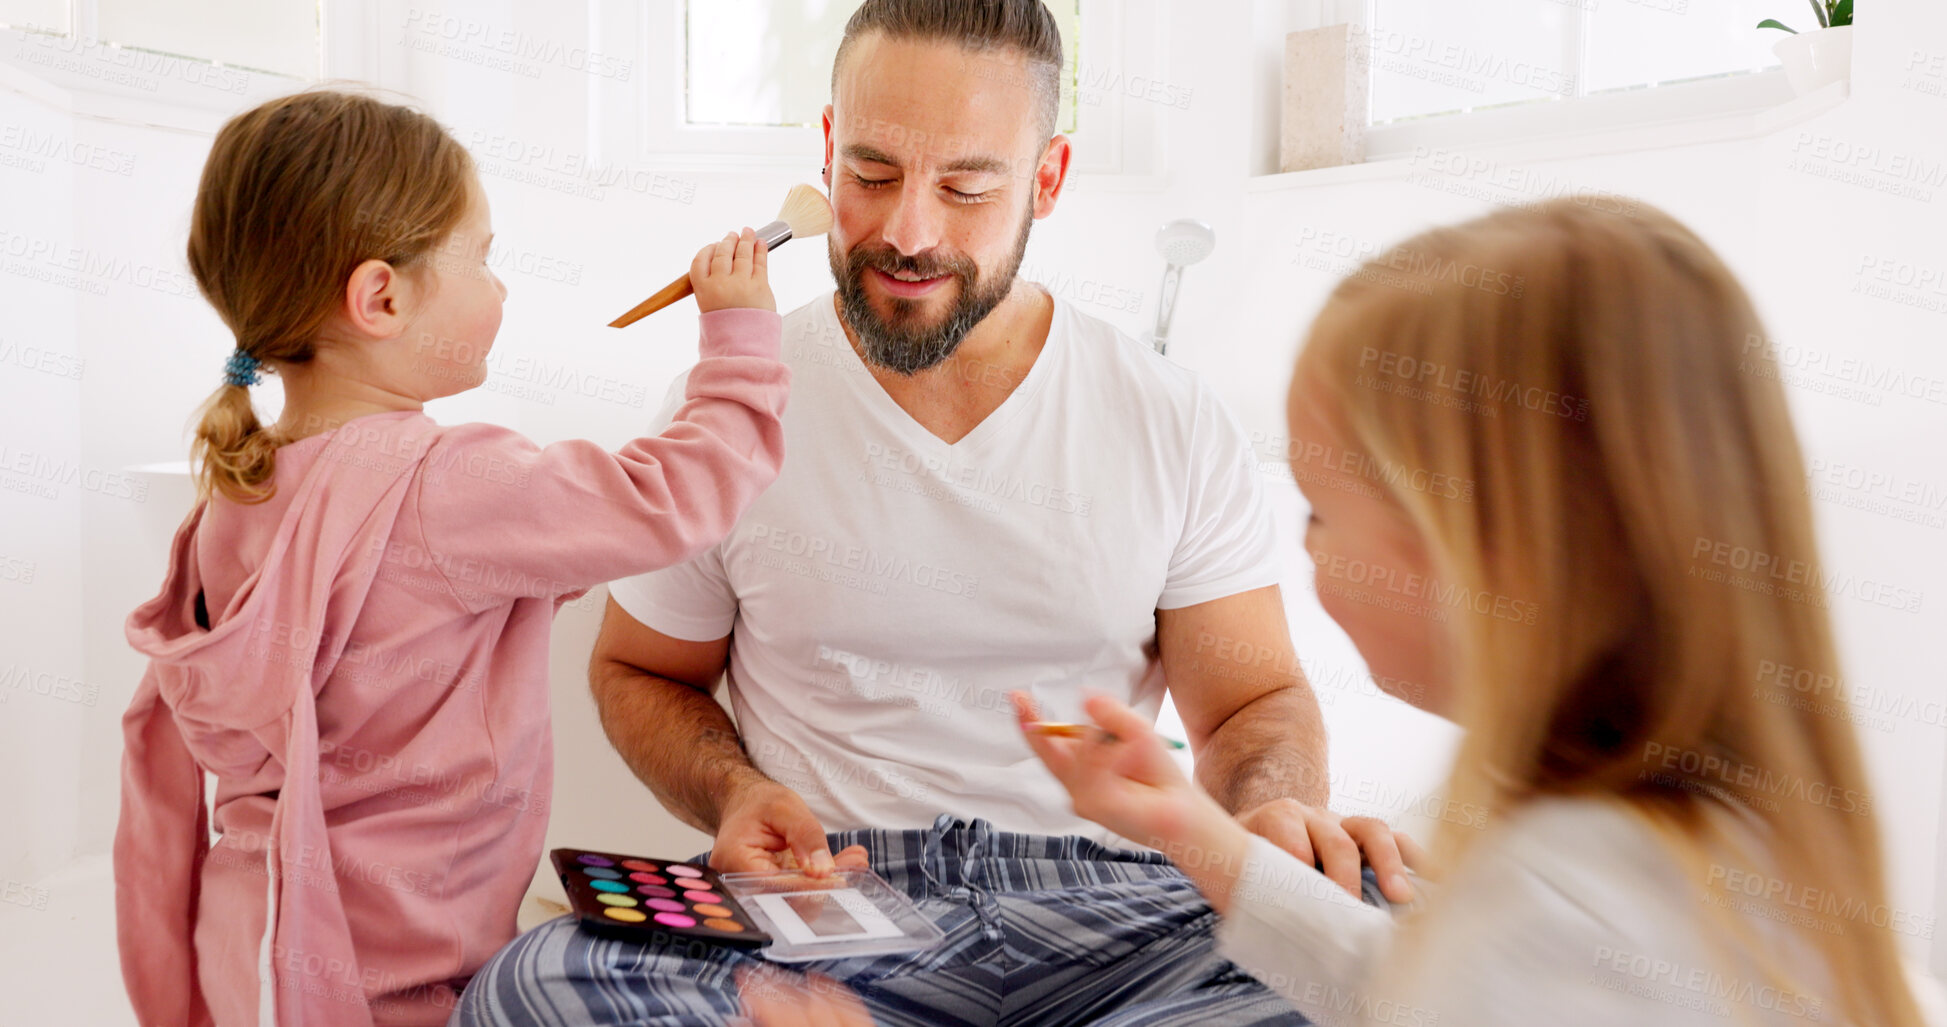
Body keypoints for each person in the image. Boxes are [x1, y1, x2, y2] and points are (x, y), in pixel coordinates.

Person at [453, 2, 1411, 1025]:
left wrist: (1271, 809)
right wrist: (733, 791)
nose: (908, 232)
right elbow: (640, 668)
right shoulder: (725, 416)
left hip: (1118, 911)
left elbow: (1252, 701)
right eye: (871, 175)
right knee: (529, 991)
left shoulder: (1165, 416)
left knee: (1375, 955)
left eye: (965, 186)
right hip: (826, 900)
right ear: (824, 153)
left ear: (1046, 177)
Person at [1010, 199, 1939, 1026]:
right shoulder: (1705, 841)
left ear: (1479, 547)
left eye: (1326, 509)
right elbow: (1411, 989)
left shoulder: (1547, 904)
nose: (1306, 546)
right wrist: (1190, 827)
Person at [116, 88, 790, 1026]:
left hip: (264, 929)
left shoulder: (240, 489)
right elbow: (674, 500)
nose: (500, 287)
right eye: (482, 257)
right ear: (381, 297)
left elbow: (405, 612)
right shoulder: (450, 480)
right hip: (397, 967)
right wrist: (741, 337)